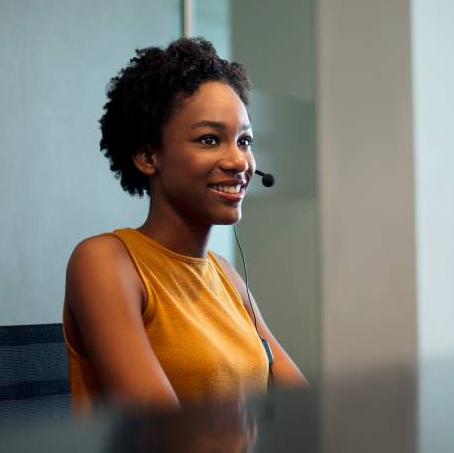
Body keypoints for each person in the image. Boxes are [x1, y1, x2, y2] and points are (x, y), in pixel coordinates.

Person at [63, 38, 307, 416]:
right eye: (210, 139)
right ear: (148, 156)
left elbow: (304, 409)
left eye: (244, 140)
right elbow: (167, 434)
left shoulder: (226, 274)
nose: (239, 161)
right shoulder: (104, 262)